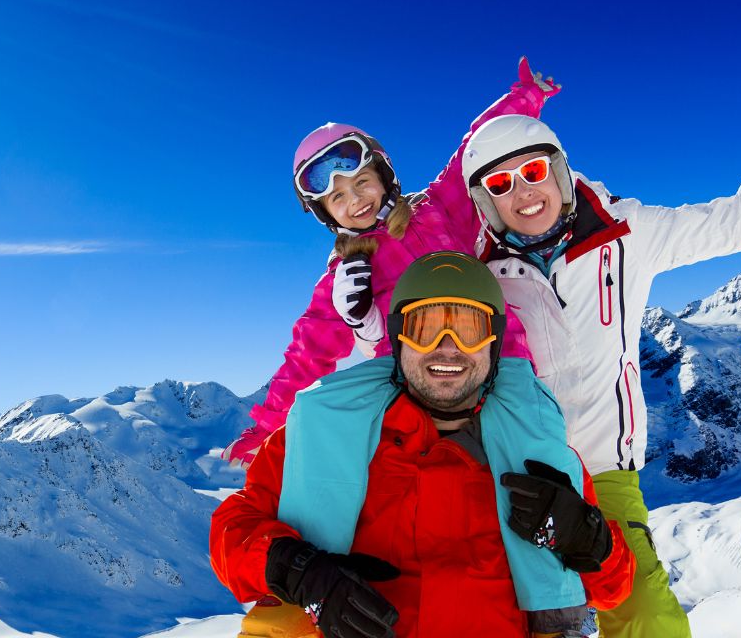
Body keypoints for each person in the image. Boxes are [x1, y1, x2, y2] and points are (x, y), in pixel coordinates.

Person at [211, 252, 634, 638]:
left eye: (469, 329)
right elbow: (231, 531)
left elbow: (614, 589)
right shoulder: (324, 435)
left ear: (493, 342)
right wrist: (297, 569)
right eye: (424, 328)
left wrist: (589, 538)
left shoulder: (538, 453)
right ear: (397, 340)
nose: (447, 347)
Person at [460, 111, 741, 638]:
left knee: (645, 614)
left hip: (603, 468)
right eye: (499, 184)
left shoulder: (626, 234)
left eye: (533, 172)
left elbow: (740, 219)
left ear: (558, 172)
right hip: (515, 474)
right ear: (486, 204)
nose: (522, 193)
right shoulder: (479, 272)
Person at [222, 59, 559, 467]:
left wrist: (527, 96)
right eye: (339, 197)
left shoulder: (438, 209)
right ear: (326, 213)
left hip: (499, 358)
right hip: (418, 388)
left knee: (533, 454)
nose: (356, 200)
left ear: (384, 177)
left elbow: (475, 147)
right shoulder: (347, 275)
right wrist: (266, 427)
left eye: (361, 182)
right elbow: (307, 353)